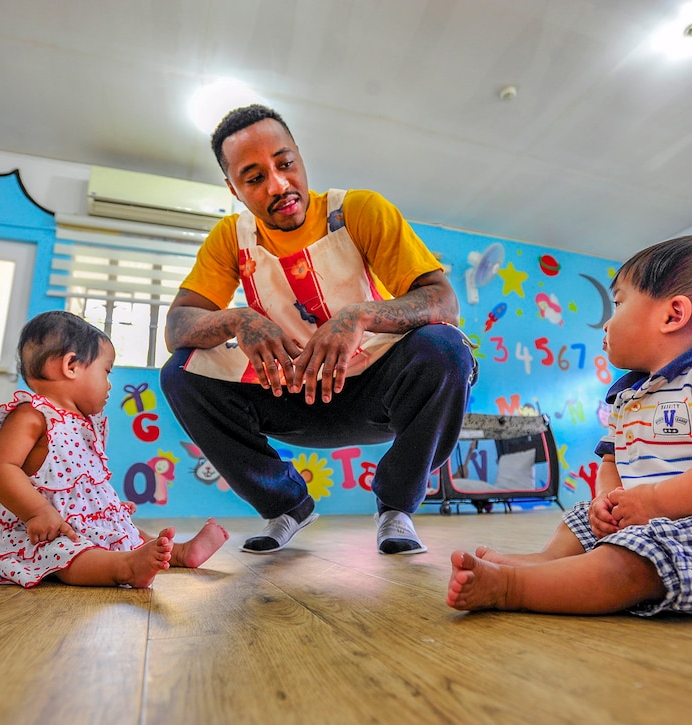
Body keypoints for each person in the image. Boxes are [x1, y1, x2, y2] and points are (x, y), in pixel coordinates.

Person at [446, 235, 692, 615]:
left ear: (672, 315)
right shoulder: (631, 396)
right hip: (669, 524)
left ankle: (514, 588)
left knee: (632, 561)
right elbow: (612, 462)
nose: (607, 325)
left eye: (618, 304)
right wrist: (607, 503)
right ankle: (548, 563)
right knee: (582, 514)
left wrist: (655, 502)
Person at [160, 104, 476, 555]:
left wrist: (358, 316)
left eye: (285, 164)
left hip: (374, 392)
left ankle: (396, 507)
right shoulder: (231, 238)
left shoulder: (360, 210)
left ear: (300, 157)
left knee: (446, 348)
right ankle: (286, 505)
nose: (279, 185)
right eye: (254, 178)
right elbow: (176, 326)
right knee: (181, 373)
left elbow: (444, 301)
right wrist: (239, 318)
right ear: (233, 189)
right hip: (288, 397)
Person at [0, 311, 229, 588]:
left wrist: (104, 505)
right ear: (71, 365)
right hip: (41, 531)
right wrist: (37, 512)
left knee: (124, 531)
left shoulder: (86, 424)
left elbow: (80, 481)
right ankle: (125, 567)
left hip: (80, 522)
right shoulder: (33, 415)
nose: (110, 384)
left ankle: (179, 553)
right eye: (106, 371)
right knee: (67, 554)